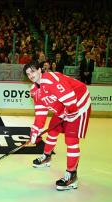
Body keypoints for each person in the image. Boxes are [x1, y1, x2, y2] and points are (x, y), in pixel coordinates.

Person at [23, 61, 91, 191]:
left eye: (32, 71)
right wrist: (35, 130)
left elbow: (70, 98)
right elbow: (41, 113)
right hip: (64, 107)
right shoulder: (34, 90)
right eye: (28, 74)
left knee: (71, 140)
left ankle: (72, 175)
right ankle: (47, 156)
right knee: (52, 130)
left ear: (39, 70)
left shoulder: (50, 79)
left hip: (79, 103)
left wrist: (70, 112)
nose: (31, 75)